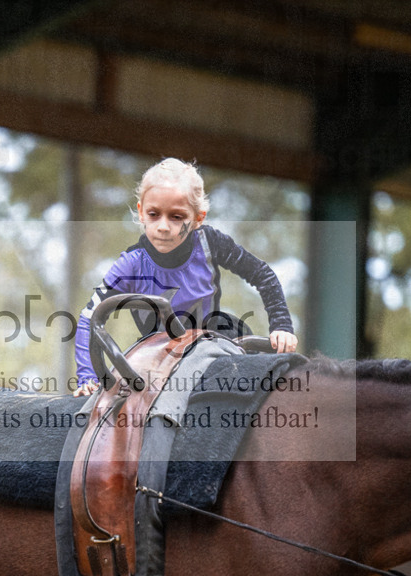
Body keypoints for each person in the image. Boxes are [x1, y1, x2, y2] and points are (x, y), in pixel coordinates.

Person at [73, 158, 298, 397]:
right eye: (154, 214)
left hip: (212, 338)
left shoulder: (210, 243)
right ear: (141, 212)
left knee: (252, 362)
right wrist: (87, 376)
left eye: (176, 217)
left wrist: (282, 325)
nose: (163, 226)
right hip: (157, 349)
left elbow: (263, 275)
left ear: (198, 218)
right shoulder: (131, 263)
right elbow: (89, 318)